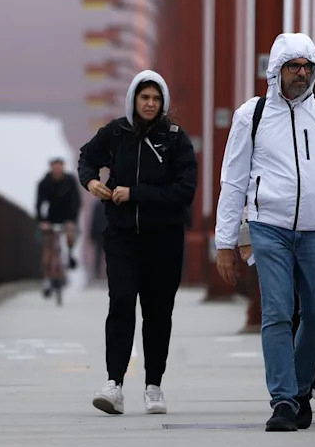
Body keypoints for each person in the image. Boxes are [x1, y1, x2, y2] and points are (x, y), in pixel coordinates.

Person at [215, 33, 315, 432]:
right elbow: (233, 180)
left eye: (307, 67)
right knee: (279, 312)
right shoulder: (252, 115)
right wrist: (225, 242)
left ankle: (299, 389)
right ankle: (283, 400)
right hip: (270, 228)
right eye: (293, 66)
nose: (301, 73)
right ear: (276, 71)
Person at [78, 70, 197, 416]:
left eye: (156, 99)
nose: (150, 103)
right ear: (133, 100)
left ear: (164, 104)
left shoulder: (175, 140)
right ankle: (113, 384)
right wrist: (91, 183)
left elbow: (184, 191)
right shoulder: (116, 133)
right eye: (144, 97)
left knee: (158, 313)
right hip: (122, 237)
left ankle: (153, 386)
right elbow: (86, 158)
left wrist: (134, 194)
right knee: (121, 303)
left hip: (164, 239)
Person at [238, 74, 315, 413]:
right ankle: (286, 395)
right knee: (281, 309)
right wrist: (241, 236)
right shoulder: (268, 123)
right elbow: (248, 179)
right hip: (277, 230)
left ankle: (314, 384)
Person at [35, 157, 80, 300]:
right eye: (55, 166)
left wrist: (73, 219)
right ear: (51, 168)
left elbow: (76, 201)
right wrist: (42, 221)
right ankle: (47, 280)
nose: (57, 169)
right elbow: (39, 203)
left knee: (70, 235)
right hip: (51, 219)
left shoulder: (70, 181)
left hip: (67, 218)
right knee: (48, 252)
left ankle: (70, 255)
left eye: (60, 166)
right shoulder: (44, 183)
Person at [89, 198, 108, 280]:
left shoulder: (97, 204)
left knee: (101, 254)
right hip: (102, 232)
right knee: (100, 254)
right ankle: (97, 273)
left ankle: (99, 272)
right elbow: (94, 220)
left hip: (103, 232)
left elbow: (94, 220)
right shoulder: (98, 204)